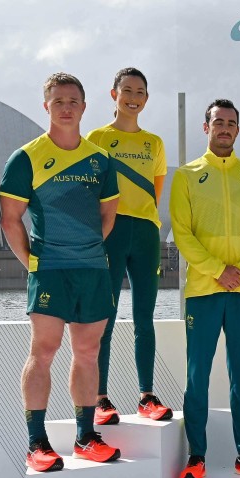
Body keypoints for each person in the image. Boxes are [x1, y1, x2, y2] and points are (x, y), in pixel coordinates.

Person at [0, 72, 121, 472]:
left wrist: (86, 250)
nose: (66, 108)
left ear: (84, 107)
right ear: (46, 106)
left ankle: (85, 437)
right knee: (44, 351)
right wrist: (33, 263)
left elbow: (108, 215)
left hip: (92, 270)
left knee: (88, 352)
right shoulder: (26, 157)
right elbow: (10, 219)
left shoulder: (100, 160)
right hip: (50, 269)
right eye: (58, 101)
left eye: (72, 101)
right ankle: (36, 443)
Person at [170, 99, 240, 478]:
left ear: (238, 129)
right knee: (197, 377)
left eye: (231, 123)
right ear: (206, 127)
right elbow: (183, 234)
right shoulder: (186, 176)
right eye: (218, 122)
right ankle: (196, 456)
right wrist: (218, 270)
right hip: (203, 291)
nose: (225, 128)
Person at [86, 67, 172, 425]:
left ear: (146, 99)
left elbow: (154, 192)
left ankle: (146, 396)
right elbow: (90, 188)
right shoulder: (97, 138)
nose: (133, 98)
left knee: (144, 317)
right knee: (104, 317)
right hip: (111, 231)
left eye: (140, 92)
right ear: (114, 94)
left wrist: (140, 219)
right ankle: (99, 398)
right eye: (127, 91)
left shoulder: (154, 143)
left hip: (146, 233)